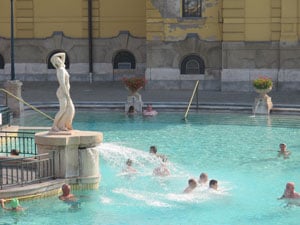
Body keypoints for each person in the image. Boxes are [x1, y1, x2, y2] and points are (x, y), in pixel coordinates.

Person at [50, 52, 75, 132]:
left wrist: (54, 56)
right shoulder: (60, 70)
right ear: (56, 63)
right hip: (62, 92)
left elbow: (63, 54)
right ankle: (54, 126)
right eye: (57, 60)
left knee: (68, 109)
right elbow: (62, 83)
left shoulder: (62, 67)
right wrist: (67, 95)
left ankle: (62, 125)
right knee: (63, 109)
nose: (60, 60)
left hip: (65, 92)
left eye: (59, 59)